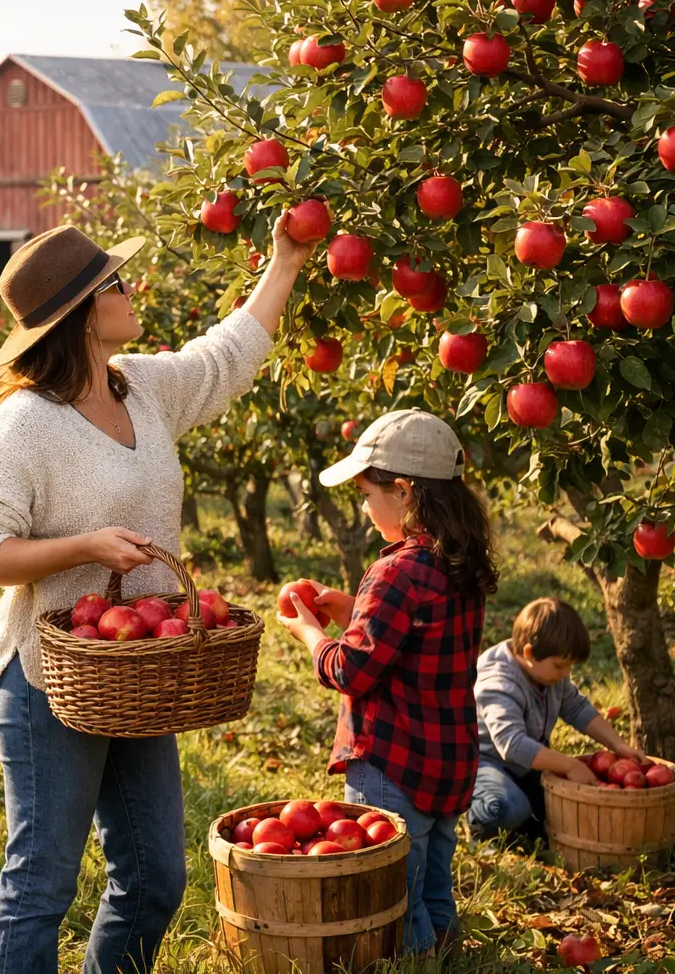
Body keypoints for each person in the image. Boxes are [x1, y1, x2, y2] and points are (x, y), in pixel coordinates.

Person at [0, 219, 316, 974]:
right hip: (51, 679)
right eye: (115, 282)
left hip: (140, 674)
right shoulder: (26, 426)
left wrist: (285, 262)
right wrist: (85, 546)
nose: (129, 288)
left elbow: (227, 355)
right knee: (42, 883)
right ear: (83, 312)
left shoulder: (140, 386)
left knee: (155, 881)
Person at [277, 409, 498, 956]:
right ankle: (447, 957)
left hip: (394, 764)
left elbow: (350, 670)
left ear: (403, 492)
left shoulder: (395, 571)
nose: (364, 507)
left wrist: (311, 634)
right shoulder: (459, 561)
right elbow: (419, 635)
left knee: (396, 894)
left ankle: (416, 964)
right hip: (447, 761)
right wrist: (355, 609)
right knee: (435, 885)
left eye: (367, 494)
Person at [470, 597, 646, 841]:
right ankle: (480, 820)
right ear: (529, 653)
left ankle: (526, 818)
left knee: (564, 806)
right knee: (506, 807)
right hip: (484, 763)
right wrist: (570, 765)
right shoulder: (498, 683)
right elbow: (512, 744)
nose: (566, 674)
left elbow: (577, 708)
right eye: (560, 666)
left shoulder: (546, 671)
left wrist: (618, 745)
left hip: (527, 764)